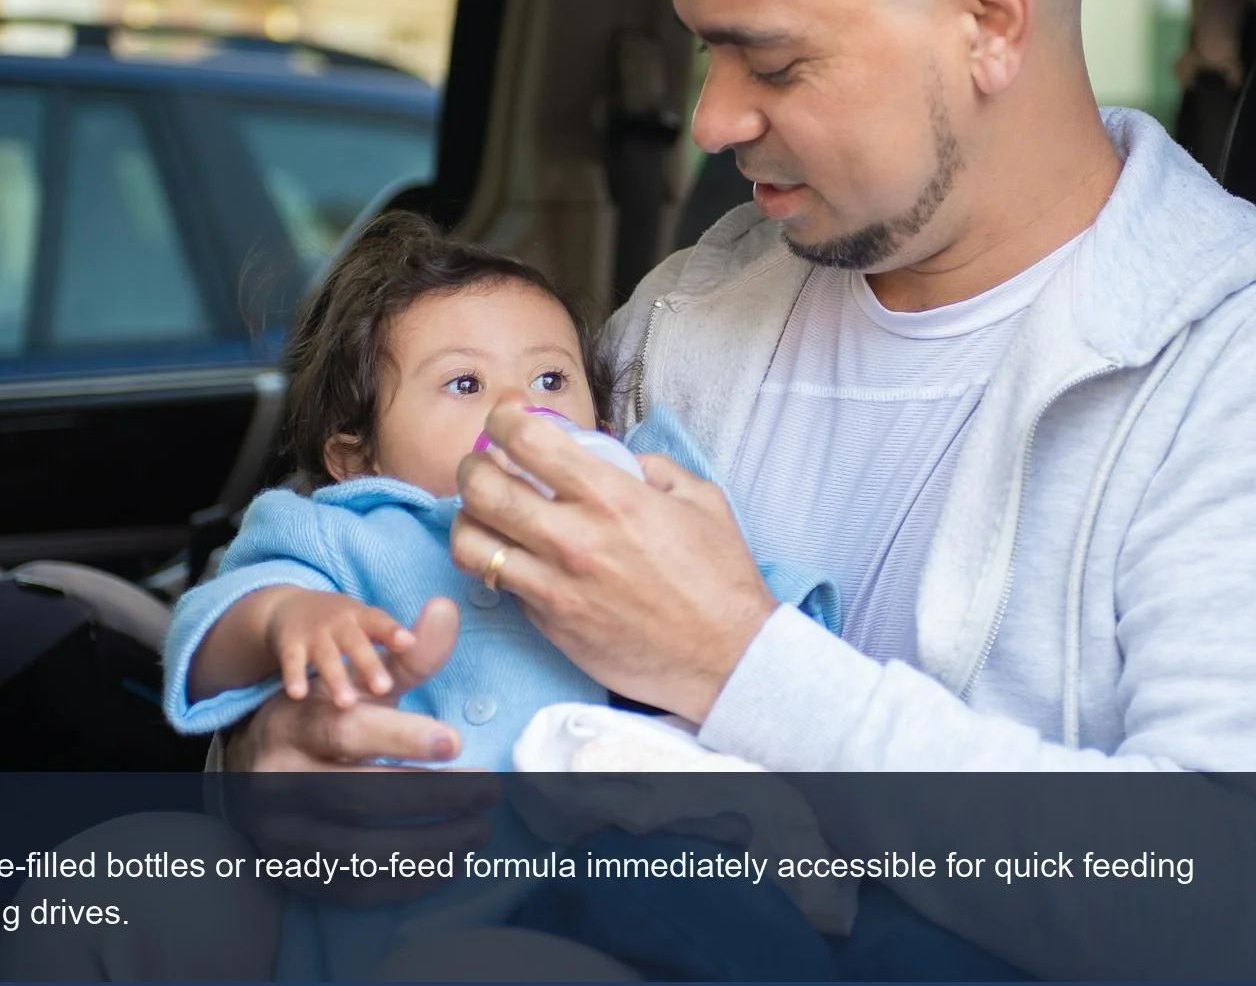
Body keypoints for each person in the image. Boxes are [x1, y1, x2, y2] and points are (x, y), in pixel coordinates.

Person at [8, 0, 1256, 980]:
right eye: (704, 53)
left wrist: (737, 660)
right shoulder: (698, 311)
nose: (710, 119)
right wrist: (277, 763)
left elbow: (1232, 915)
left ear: (989, 21)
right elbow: (446, 609)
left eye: (774, 61)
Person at [162, 208, 838, 767]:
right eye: (465, 384)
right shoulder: (343, 531)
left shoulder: (642, 504)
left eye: (550, 380)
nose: (520, 407)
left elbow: (769, 633)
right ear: (356, 457)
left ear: (601, 422)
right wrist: (280, 619)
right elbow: (205, 639)